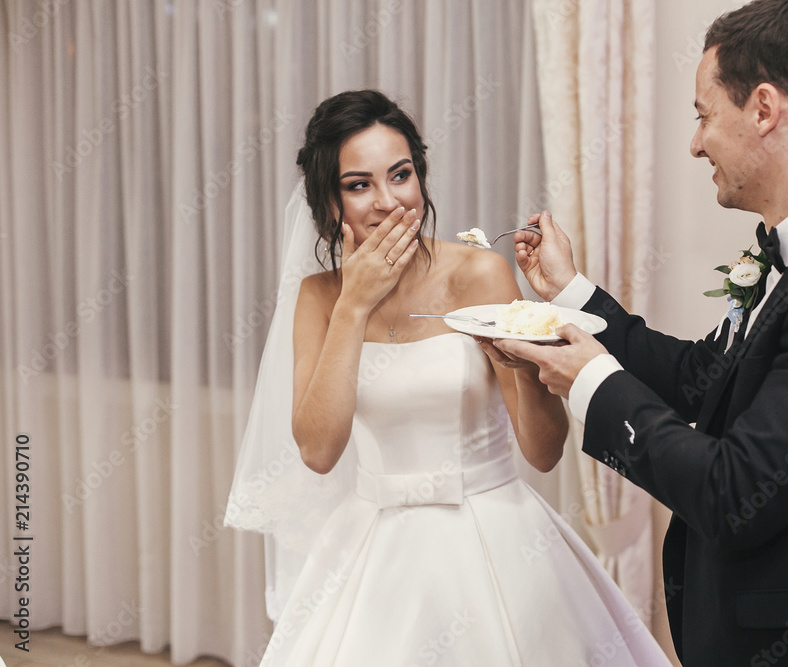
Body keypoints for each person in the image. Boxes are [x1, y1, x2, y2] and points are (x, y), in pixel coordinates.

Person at [495, 1, 788, 665]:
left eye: (703, 114)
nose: (695, 144)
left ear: (764, 109)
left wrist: (592, 382)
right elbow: (705, 381)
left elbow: (739, 491)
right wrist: (571, 293)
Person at [224, 90, 672, 666]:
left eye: (401, 175)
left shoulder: (480, 272)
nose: (388, 201)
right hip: (373, 545)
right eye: (359, 185)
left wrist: (527, 360)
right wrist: (353, 306)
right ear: (331, 205)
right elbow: (318, 451)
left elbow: (543, 453)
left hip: (494, 532)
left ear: (421, 177)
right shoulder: (319, 297)